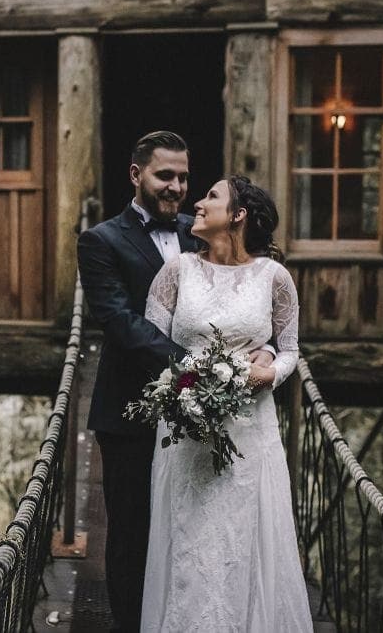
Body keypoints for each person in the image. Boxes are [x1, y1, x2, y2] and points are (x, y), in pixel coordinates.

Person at [77, 132, 273, 632]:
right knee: (131, 535)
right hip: (130, 412)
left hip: (208, 415)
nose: (177, 187)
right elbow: (119, 321)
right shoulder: (100, 241)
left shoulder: (203, 229)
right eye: (165, 176)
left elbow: (252, 288)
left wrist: (268, 349)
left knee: (194, 529)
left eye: (184, 177)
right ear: (135, 174)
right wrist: (200, 368)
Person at [139, 176, 313, 632]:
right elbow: (151, 346)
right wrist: (179, 389)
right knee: (189, 538)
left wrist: (271, 367)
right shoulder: (175, 272)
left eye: (211, 197)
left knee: (242, 538)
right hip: (185, 430)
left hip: (249, 429)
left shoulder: (275, 278)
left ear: (238, 216)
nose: (197, 202)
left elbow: (291, 347)